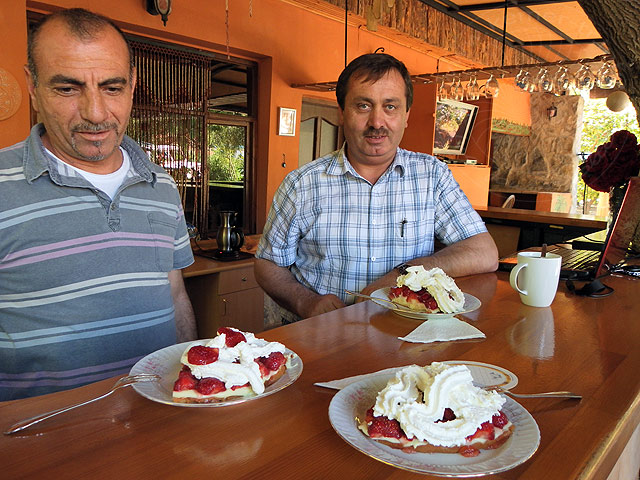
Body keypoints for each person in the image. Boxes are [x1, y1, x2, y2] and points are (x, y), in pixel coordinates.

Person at [0, 9, 196, 401]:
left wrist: (188, 383)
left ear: (133, 86)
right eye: (68, 88)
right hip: (41, 442)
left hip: (158, 423)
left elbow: (174, 296)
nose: (95, 113)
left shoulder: (161, 185)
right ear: (33, 88)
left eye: (112, 87)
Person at [255, 53, 498, 325]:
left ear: (406, 115)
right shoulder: (301, 184)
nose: (377, 122)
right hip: (322, 337)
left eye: (390, 107)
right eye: (363, 105)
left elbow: (484, 252)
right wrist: (305, 301)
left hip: (406, 340)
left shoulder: (432, 176)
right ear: (342, 112)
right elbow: (268, 264)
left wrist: (402, 274)